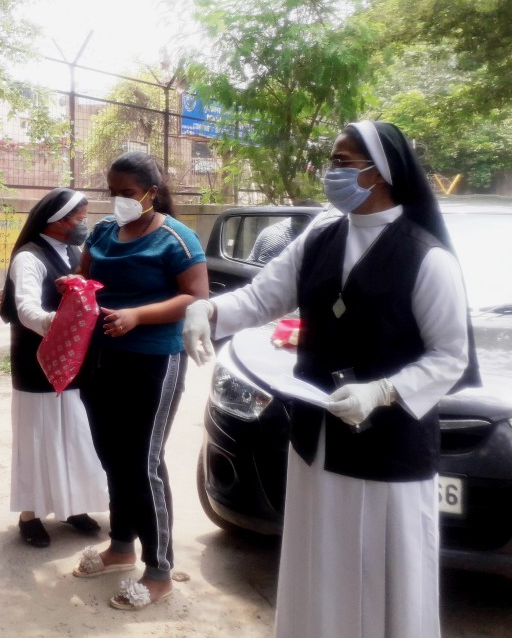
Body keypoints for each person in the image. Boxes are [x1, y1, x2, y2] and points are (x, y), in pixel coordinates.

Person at [183, 120, 478, 638]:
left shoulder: (427, 258)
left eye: (344, 162)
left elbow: (450, 355)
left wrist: (385, 390)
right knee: (321, 564)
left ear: (379, 173)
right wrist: (205, 312)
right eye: (334, 160)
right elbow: (260, 299)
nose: (331, 172)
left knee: (383, 570)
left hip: (388, 449)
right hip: (317, 443)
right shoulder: (320, 238)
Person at [69, 152, 208, 610]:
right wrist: (74, 288)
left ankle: (160, 570)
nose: (119, 200)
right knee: (112, 456)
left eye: (127, 193)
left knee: (143, 463)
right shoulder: (105, 232)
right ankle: (121, 546)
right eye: (113, 192)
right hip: (101, 359)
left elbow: (196, 297)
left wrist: (137, 316)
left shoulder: (177, 238)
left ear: (151, 191)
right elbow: (87, 279)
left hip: (153, 360)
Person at [0, 188, 108, 548]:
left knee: (74, 435)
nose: (83, 224)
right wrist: (58, 327)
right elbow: (27, 308)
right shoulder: (29, 258)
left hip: (75, 364)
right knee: (38, 437)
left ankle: (72, 507)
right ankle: (29, 515)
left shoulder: (75, 253)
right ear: (58, 221)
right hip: (36, 363)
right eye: (79, 218)